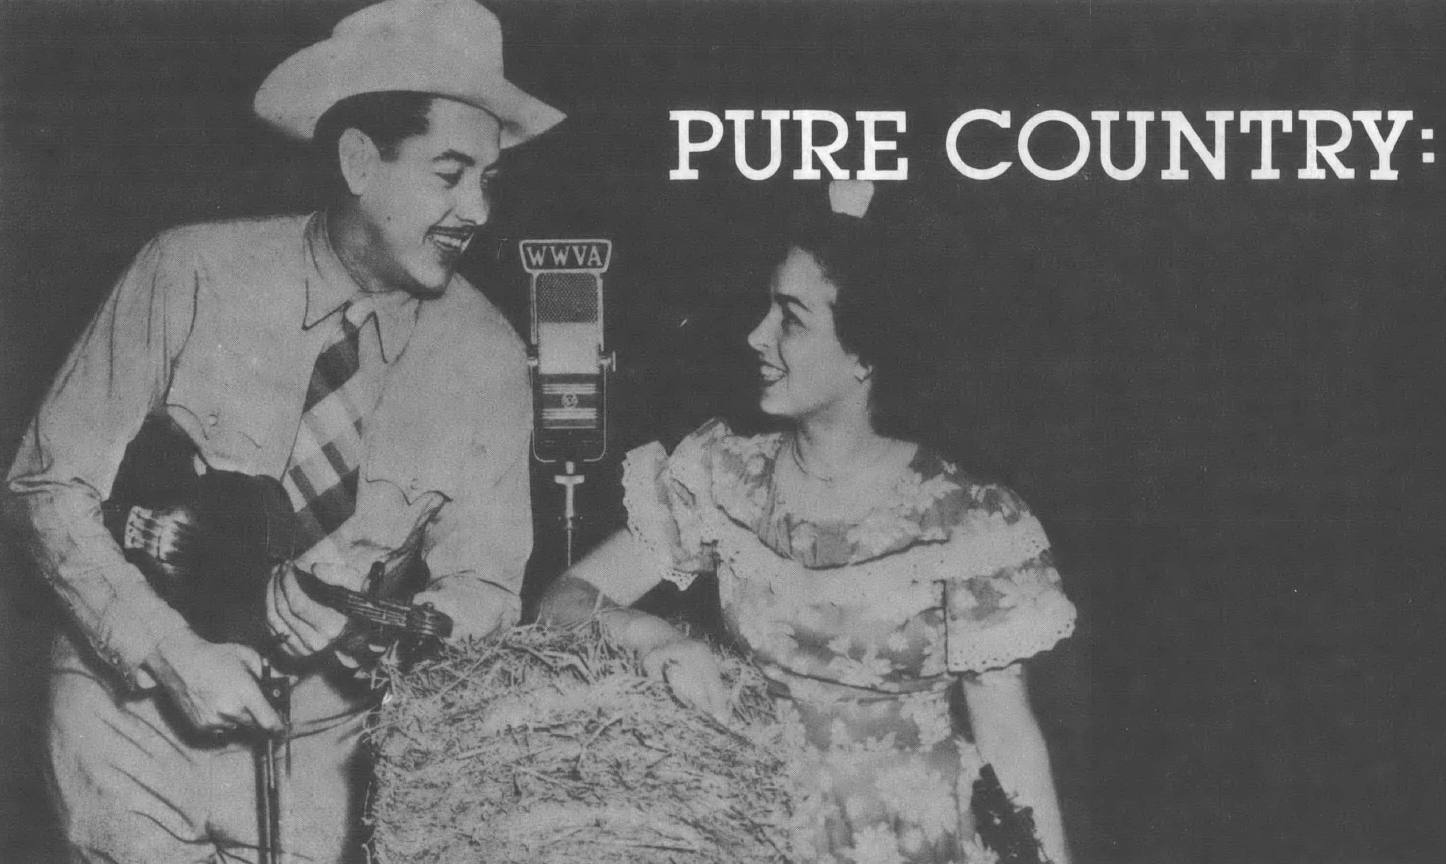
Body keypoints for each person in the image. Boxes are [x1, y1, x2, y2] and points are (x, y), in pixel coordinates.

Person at [3, 1, 563, 861]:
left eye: (489, 179)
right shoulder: (187, 270)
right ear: (359, 161)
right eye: (450, 173)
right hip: (133, 728)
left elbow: (487, 594)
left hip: (324, 767)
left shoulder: (488, 358)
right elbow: (48, 485)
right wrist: (171, 652)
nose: (477, 210)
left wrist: (372, 627)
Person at [540, 179, 1077, 864]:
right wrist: (651, 640)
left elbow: (1010, 741)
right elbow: (561, 600)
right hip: (756, 829)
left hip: (924, 844)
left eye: (790, 318)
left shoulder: (969, 523)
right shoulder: (723, 477)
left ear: (865, 353)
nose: (755, 335)